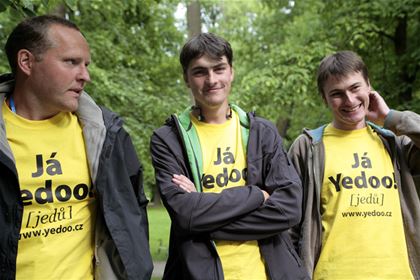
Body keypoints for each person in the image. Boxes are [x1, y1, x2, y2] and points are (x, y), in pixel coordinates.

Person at [0, 15, 153, 279]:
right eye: (71, 62)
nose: (86, 76)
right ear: (26, 62)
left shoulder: (106, 134)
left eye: (85, 65)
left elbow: (131, 215)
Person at [150, 32, 308, 280]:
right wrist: (256, 194)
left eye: (219, 69)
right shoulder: (168, 139)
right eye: (200, 72)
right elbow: (186, 215)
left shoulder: (262, 132)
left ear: (231, 72)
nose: (211, 80)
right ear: (186, 79)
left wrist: (204, 215)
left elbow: (289, 209)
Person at [288, 50, 420, 279]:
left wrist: (390, 117)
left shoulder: (394, 143)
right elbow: (289, 225)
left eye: (355, 88)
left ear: (369, 85)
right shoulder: (308, 148)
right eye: (337, 94)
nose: (349, 100)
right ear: (324, 98)